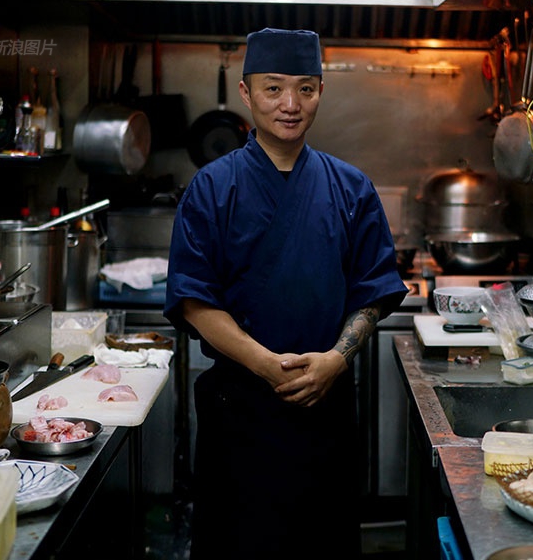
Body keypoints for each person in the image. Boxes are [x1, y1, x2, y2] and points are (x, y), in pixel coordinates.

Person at [164, 28, 408, 560]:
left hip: (327, 413)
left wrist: (336, 361)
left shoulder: (351, 188)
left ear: (321, 90)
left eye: (306, 88)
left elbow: (373, 291)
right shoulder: (212, 187)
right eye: (273, 89)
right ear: (247, 95)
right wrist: (263, 364)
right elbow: (194, 299)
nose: (290, 105)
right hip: (241, 414)